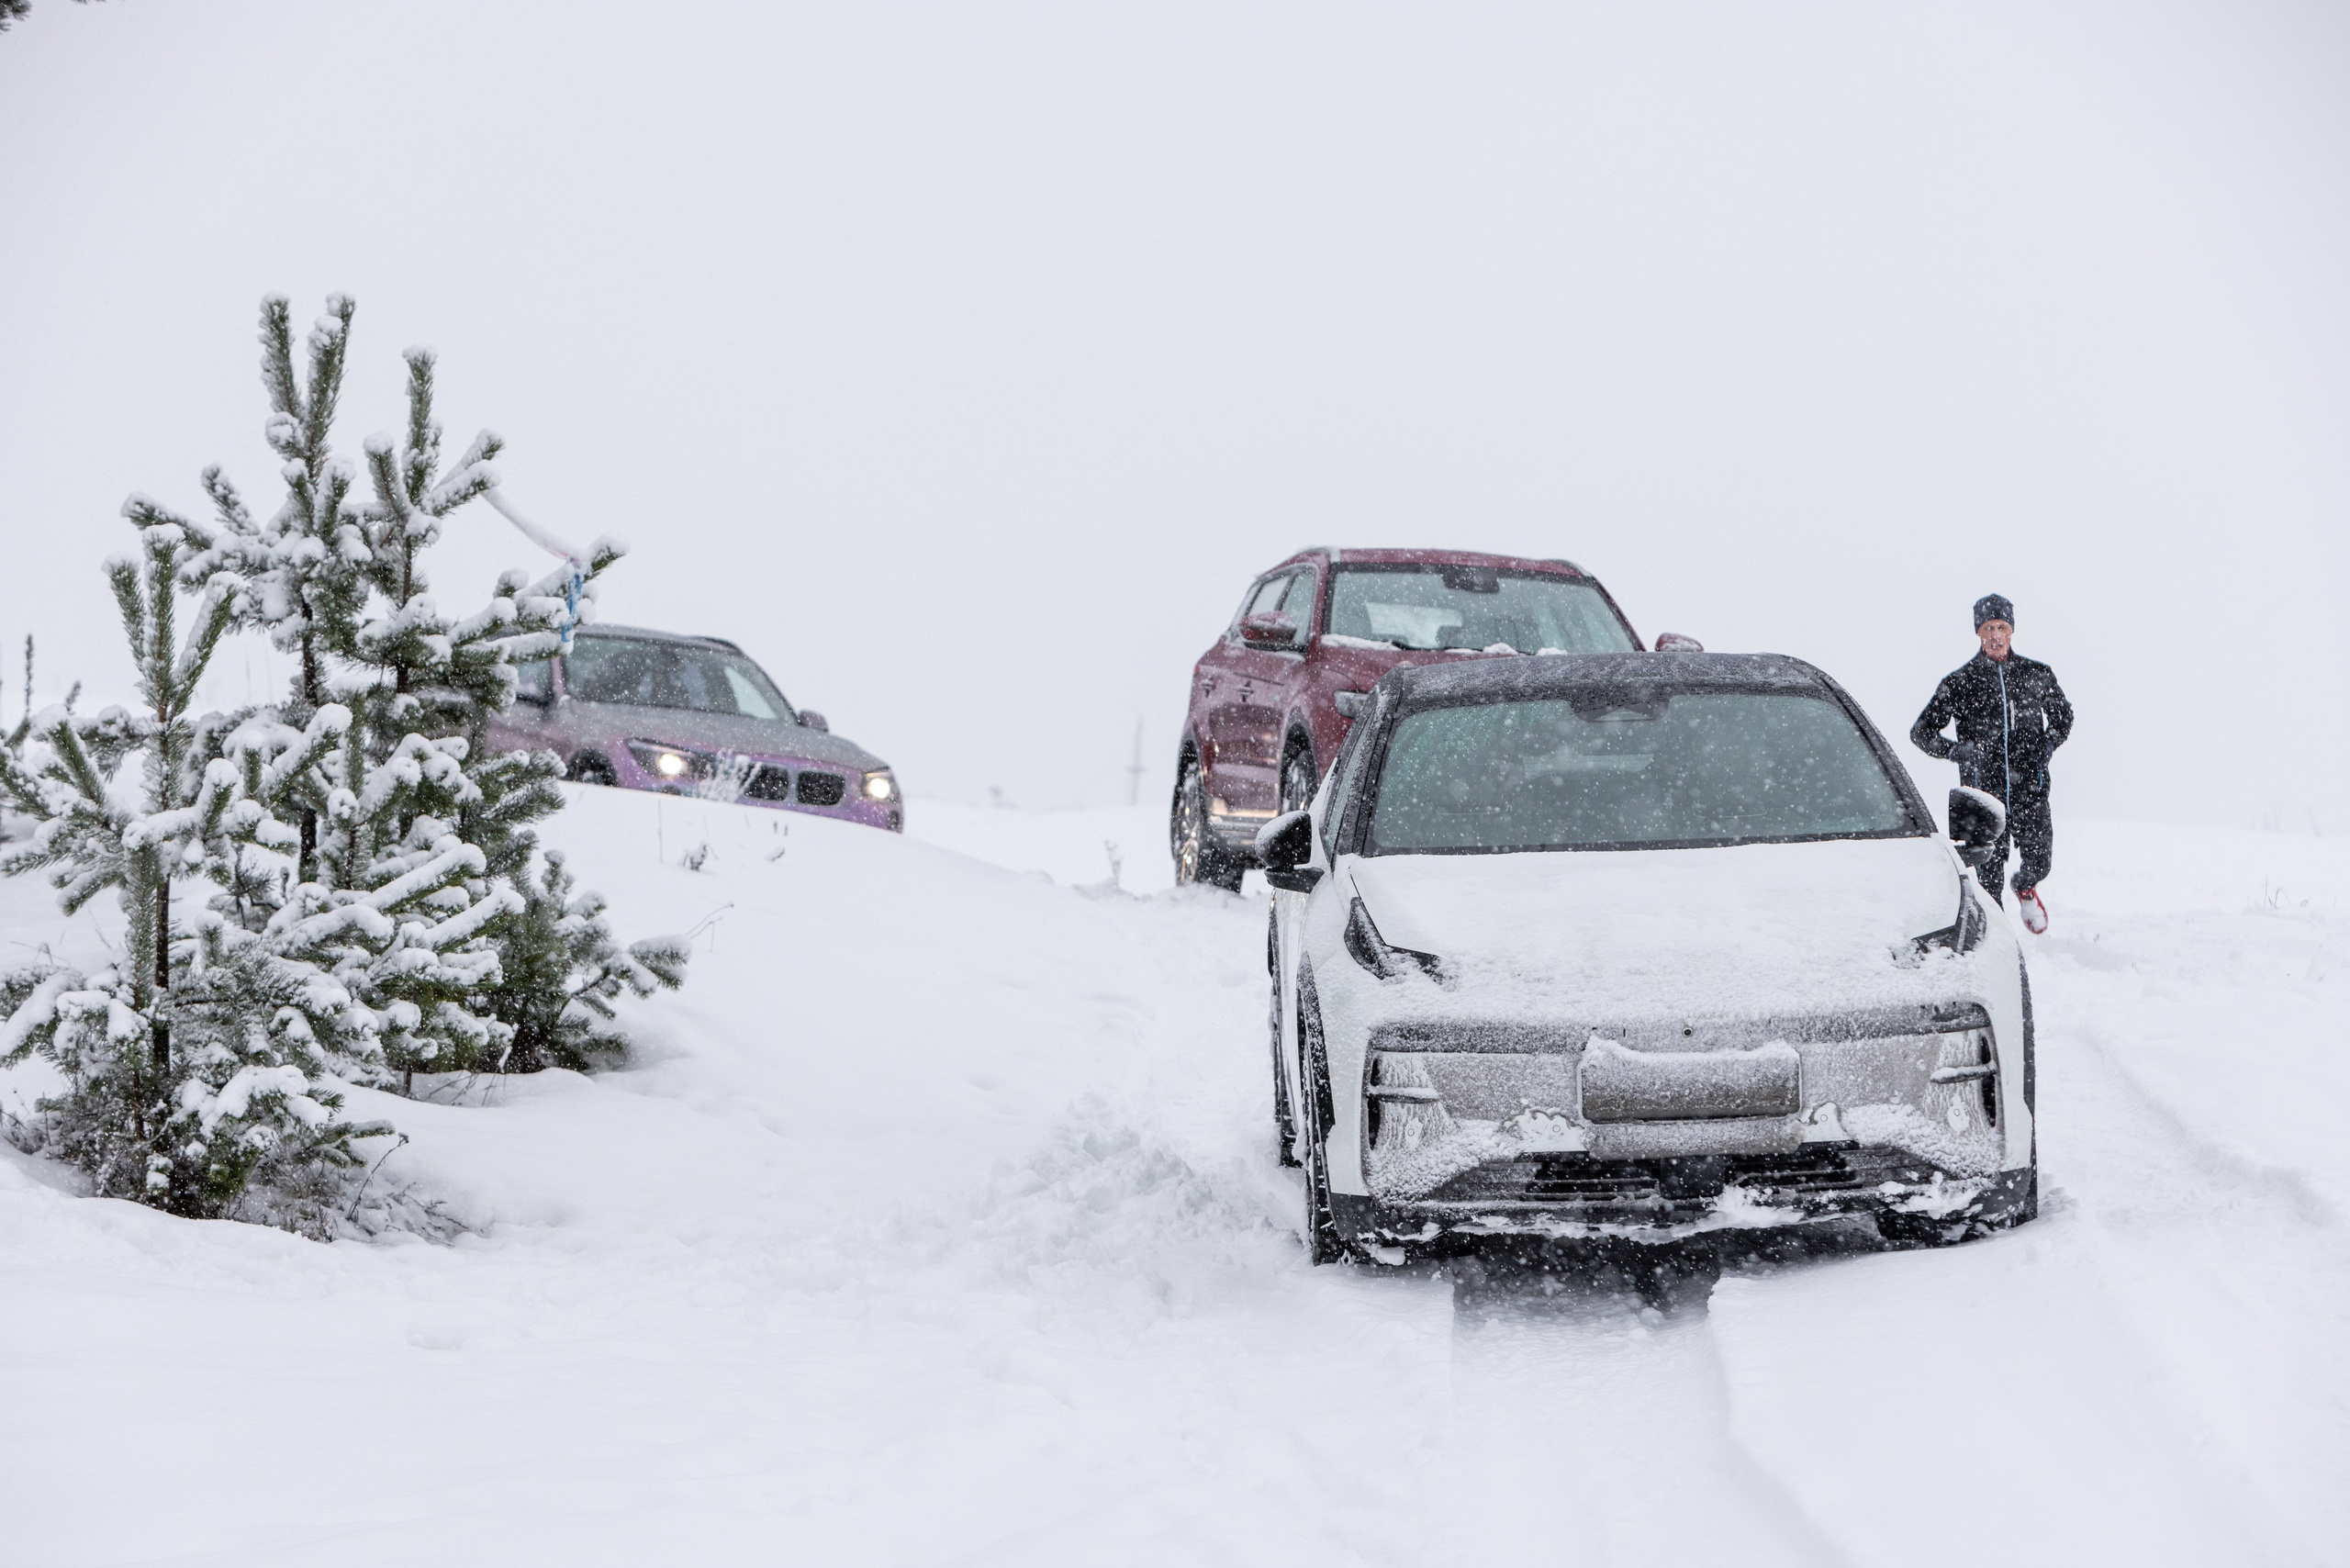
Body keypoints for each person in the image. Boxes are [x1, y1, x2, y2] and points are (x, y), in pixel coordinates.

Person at [1910, 594, 2073, 934]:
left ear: (2011, 631)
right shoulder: (1960, 682)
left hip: (2031, 789)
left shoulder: (2036, 674)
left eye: (2001, 627)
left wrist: (2048, 743)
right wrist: (1959, 751)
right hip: (1983, 798)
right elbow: (1921, 732)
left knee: (2040, 862)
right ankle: (1999, 941)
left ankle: (2025, 886)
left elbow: (2063, 717)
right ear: (1978, 633)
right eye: (1988, 628)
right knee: (1988, 885)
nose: (1995, 635)